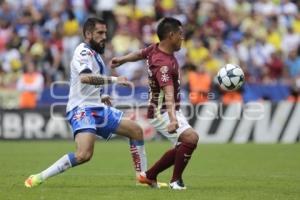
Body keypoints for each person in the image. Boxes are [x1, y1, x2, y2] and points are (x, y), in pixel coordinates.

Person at [24, 17, 148, 188]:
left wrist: (99, 97)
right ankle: (38, 177)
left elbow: (87, 83)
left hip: (96, 105)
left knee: (136, 131)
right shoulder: (82, 52)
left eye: (105, 32)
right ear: (88, 34)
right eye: (100, 33)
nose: (104, 36)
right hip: (81, 109)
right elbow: (85, 78)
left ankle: (143, 179)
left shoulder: (94, 53)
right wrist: (115, 79)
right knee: (84, 155)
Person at [110, 17, 199, 190]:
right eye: (180, 34)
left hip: (166, 108)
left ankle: (149, 176)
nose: (182, 37)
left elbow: (140, 53)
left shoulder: (155, 49)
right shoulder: (163, 64)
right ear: (171, 35)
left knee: (183, 145)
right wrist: (173, 119)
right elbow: (168, 95)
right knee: (191, 138)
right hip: (162, 110)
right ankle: (175, 181)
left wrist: (122, 59)